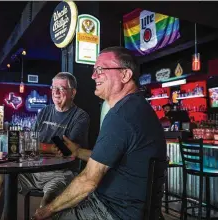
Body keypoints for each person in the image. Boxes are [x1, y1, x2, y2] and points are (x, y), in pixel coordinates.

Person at [32, 46, 167, 220]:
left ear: (125, 75)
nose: (93, 76)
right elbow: (109, 159)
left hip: (114, 212)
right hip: (129, 208)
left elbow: (89, 180)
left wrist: (47, 210)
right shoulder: (134, 108)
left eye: (100, 70)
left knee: (50, 214)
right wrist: (78, 151)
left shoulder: (121, 116)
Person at [17, 72, 90, 207]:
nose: (55, 92)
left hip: (61, 173)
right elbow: (28, 144)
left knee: (47, 205)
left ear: (72, 93)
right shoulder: (45, 111)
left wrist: (39, 146)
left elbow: (65, 150)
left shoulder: (80, 117)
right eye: (53, 87)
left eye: (61, 88)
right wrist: (50, 148)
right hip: (34, 169)